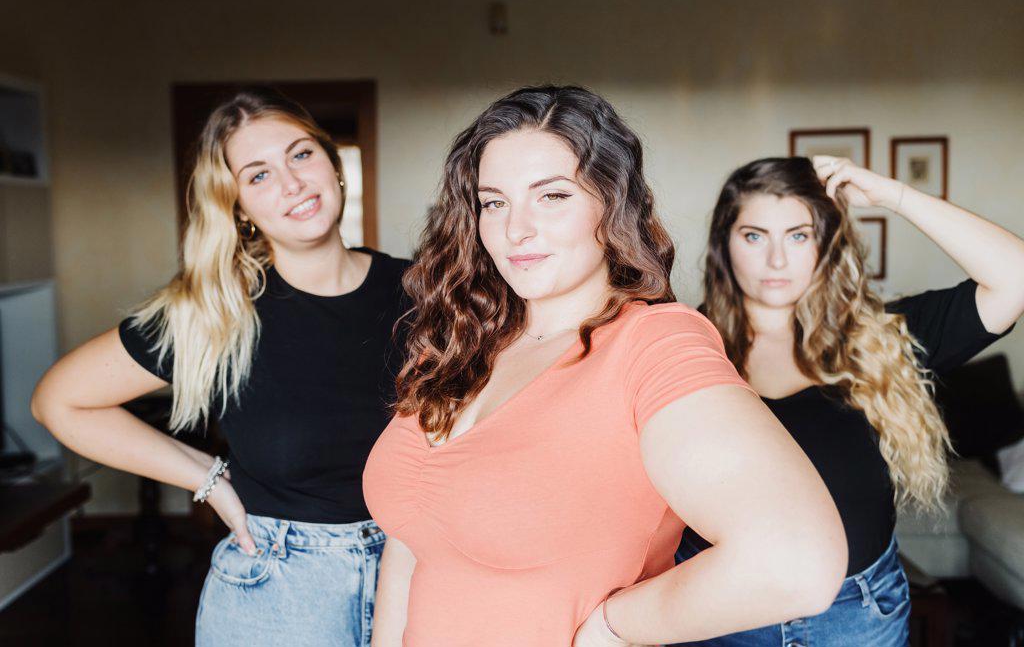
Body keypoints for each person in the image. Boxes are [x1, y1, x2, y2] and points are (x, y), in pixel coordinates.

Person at [362, 85, 847, 647]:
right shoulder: (458, 342)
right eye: (494, 202)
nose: (516, 229)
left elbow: (797, 559)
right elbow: (411, 543)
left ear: (611, 205)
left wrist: (615, 629)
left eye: (552, 197)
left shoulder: (654, 344)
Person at [31, 88, 409, 647]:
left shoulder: (427, 292)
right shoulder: (219, 313)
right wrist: (207, 480)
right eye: (257, 176)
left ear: (333, 164)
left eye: (301, 155)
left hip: (420, 575)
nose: (291, 183)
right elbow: (57, 401)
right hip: (278, 594)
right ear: (236, 206)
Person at [676, 155, 1024, 646]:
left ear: (826, 243)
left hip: (857, 619)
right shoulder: (680, 347)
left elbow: (1015, 277)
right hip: (717, 613)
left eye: (798, 235)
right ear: (724, 244)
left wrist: (894, 195)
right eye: (754, 236)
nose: (777, 260)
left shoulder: (879, 341)